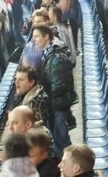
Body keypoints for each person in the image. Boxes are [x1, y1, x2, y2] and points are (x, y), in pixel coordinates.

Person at [33, 24, 77, 155]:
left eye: (37, 37)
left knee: (61, 138)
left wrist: (46, 98)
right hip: (54, 102)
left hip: (58, 103)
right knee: (58, 136)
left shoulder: (57, 57)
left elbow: (58, 85)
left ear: (46, 37)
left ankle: (69, 159)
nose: (34, 40)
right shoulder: (46, 53)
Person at [13, 64, 51, 130]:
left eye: (20, 80)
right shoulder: (24, 96)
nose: (16, 83)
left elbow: (37, 127)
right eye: (16, 79)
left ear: (31, 82)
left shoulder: (37, 102)